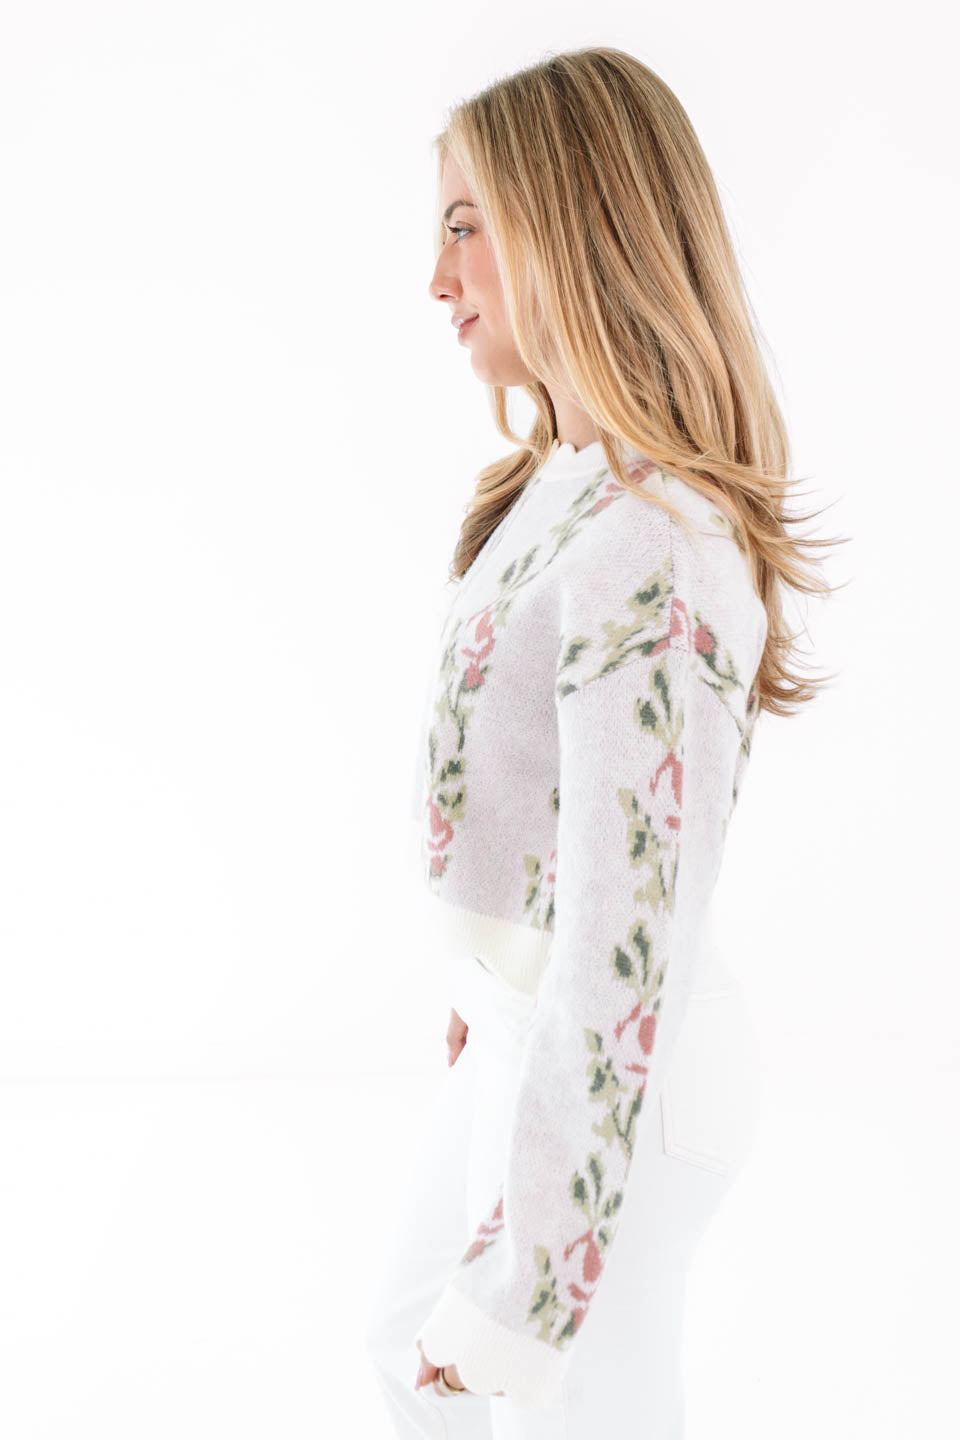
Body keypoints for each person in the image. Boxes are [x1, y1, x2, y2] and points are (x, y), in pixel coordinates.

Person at [364, 44, 843, 1438]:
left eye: (467, 225)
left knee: (560, 1404)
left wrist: (530, 1278)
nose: (438, 277)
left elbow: (630, 940)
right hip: (533, 1031)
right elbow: (544, 803)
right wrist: (486, 971)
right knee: (406, 1350)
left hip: (625, 1074)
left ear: (570, 226)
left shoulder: (655, 542)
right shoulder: (563, 489)